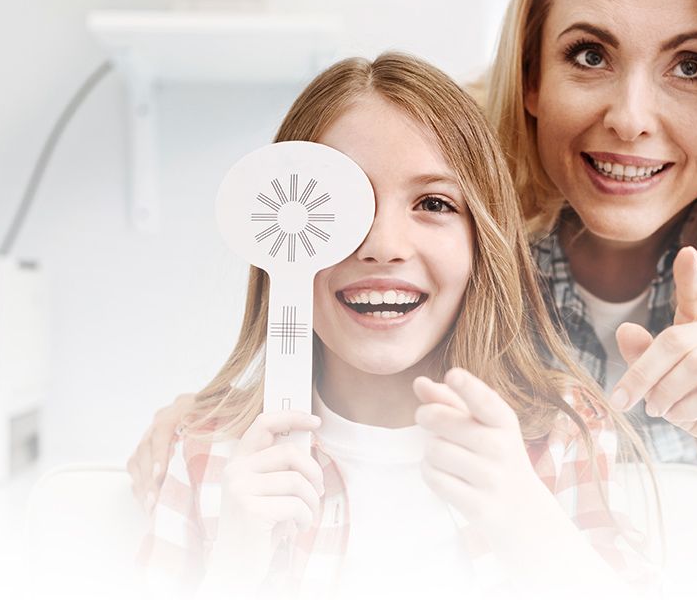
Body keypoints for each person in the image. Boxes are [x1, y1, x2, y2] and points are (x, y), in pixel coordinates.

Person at [131, 0, 697, 592]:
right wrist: (216, 421)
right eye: (589, 55)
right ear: (529, 76)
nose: (630, 116)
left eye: (692, 66)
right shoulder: (466, 239)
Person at [138, 53, 656, 599]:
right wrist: (233, 571)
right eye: (341, 203)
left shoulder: (560, 437)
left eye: (433, 203)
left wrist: (530, 527)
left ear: (482, 240)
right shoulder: (202, 453)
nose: (383, 246)